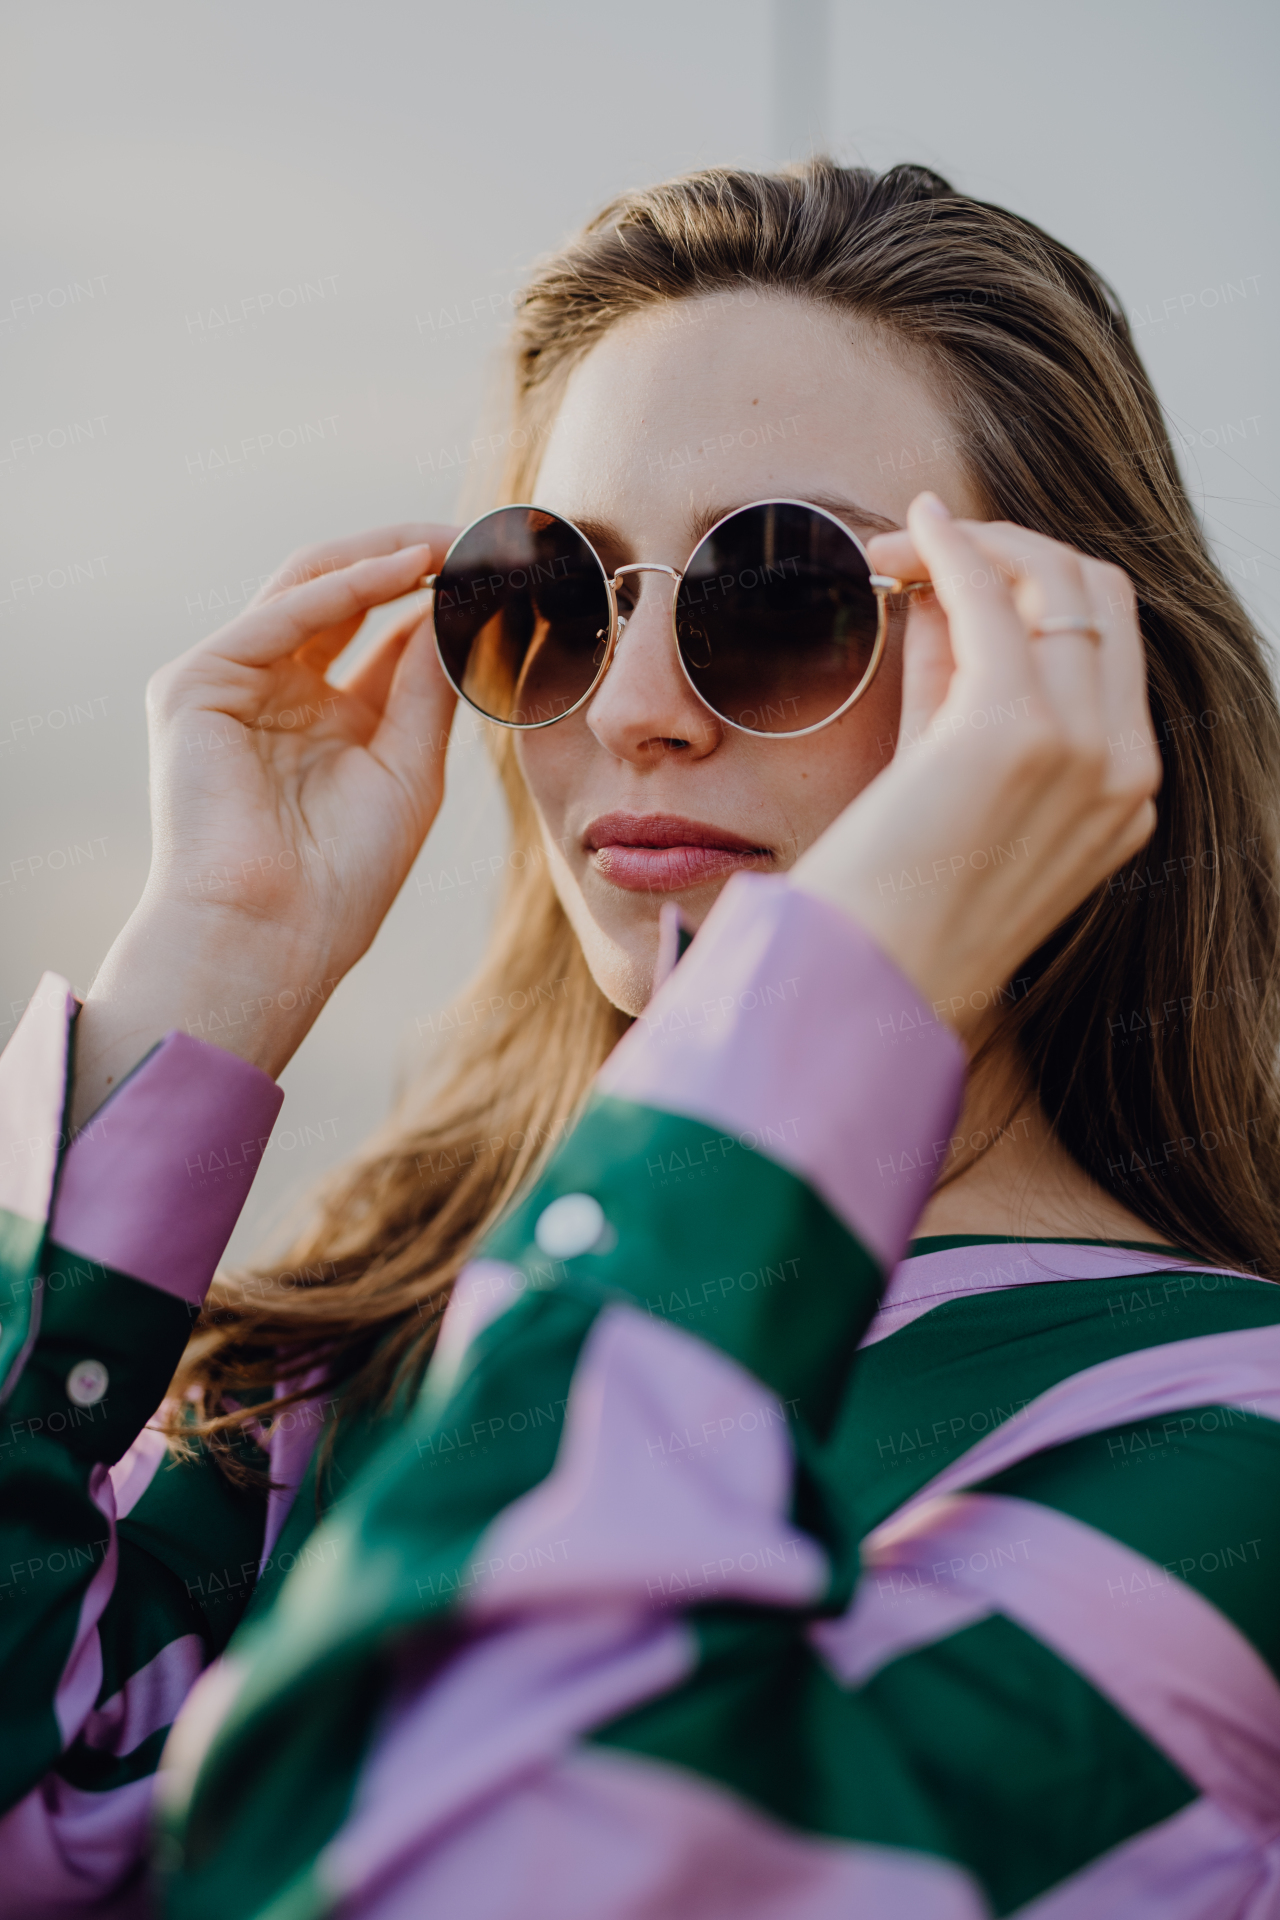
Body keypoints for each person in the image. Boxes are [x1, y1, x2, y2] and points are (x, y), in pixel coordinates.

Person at [3, 158, 1280, 1919]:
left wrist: (841, 994)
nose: (633, 709)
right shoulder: (355, 1376)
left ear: (1065, 681)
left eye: (782, 598)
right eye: (555, 596)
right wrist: (213, 955)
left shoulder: (1229, 1443)